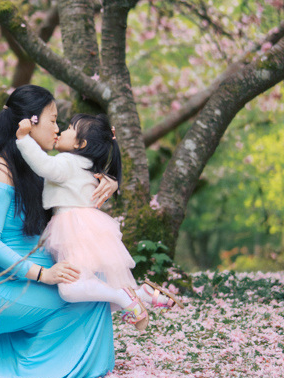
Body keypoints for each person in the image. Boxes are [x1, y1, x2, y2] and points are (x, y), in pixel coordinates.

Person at [0, 85, 118, 378]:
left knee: (92, 283)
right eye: (53, 120)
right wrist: (43, 274)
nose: (57, 130)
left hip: (23, 279)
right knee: (87, 296)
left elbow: (74, 195)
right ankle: (33, 369)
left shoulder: (34, 169)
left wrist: (109, 181)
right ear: (30, 123)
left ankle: (15, 356)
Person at [16, 113, 175, 332]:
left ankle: (123, 294)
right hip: (86, 227)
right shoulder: (87, 165)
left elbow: (44, 167)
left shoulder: (68, 161)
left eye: (70, 128)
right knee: (85, 290)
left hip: (72, 228)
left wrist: (24, 139)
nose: (61, 130)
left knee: (70, 290)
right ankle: (141, 294)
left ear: (80, 143)